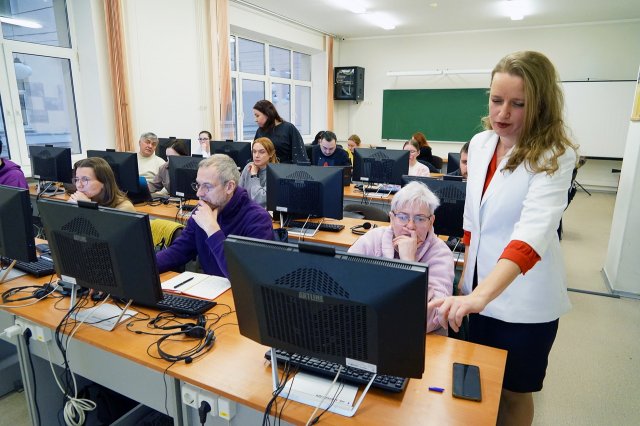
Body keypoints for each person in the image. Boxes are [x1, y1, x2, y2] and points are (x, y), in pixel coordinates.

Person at [429, 51, 577, 425]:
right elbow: (473, 220)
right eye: (496, 100)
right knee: (474, 383)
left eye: (518, 104)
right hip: (476, 289)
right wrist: (466, 282)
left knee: (513, 393)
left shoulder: (555, 156)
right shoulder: (481, 144)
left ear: (541, 105)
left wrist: (481, 295)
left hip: (524, 299)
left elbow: (531, 237)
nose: (502, 113)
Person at [348, 181, 454, 335]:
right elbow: (344, 285)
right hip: (371, 329)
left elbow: (434, 318)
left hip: (420, 338)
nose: (410, 226)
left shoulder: (441, 253)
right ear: (392, 218)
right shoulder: (373, 239)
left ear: (431, 222)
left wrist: (409, 263)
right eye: (403, 217)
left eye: (420, 219)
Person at [156, 154, 274, 277]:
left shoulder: (258, 219)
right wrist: (146, 266)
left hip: (238, 288)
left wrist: (212, 229)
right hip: (211, 287)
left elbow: (246, 275)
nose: (199, 193)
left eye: (207, 186)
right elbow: (179, 251)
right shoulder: (203, 210)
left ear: (229, 187)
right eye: (198, 185)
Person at [69, 157, 136, 212]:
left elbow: (101, 224)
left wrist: (88, 206)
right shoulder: (81, 199)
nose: (79, 185)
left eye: (85, 179)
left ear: (104, 181)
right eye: (77, 179)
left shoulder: (124, 208)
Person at [253, 100, 308, 164]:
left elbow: (299, 156)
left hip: (286, 168)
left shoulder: (288, 128)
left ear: (267, 114)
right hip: (265, 169)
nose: (255, 120)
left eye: (257, 116)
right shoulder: (260, 131)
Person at [238, 137, 278, 208]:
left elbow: (259, 199)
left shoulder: (275, 173)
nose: (256, 155)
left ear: (271, 154)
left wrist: (254, 175)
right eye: (254, 151)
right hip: (245, 209)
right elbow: (238, 192)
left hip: (261, 212)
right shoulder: (248, 167)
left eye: (261, 152)